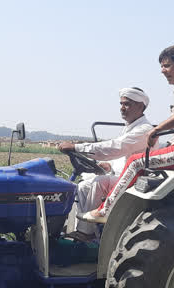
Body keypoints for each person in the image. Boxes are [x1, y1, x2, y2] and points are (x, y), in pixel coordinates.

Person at [81, 44, 174, 224]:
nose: (163, 71)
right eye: (162, 66)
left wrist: (157, 129)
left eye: (167, 65)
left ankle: (105, 211)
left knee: (136, 161)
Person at [59, 87, 153, 241]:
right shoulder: (129, 128)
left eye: (127, 104)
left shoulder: (144, 130)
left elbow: (115, 147)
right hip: (122, 176)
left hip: (136, 180)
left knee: (100, 182)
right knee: (83, 186)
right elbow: (121, 156)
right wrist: (108, 165)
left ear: (140, 106)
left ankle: (86, 234)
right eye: (121, 104)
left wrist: (77, 147)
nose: (122, 108)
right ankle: (77, 230)